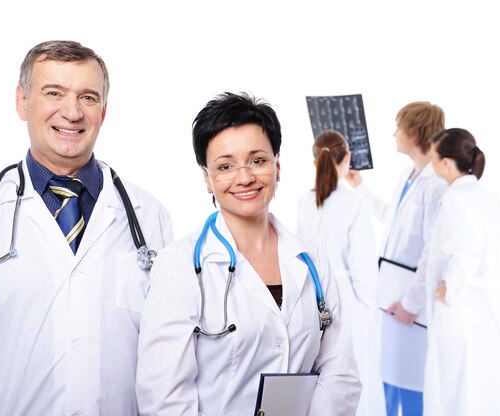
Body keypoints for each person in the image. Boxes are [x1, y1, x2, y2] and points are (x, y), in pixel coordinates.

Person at [0, 40, 173, 415]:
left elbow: (167, 353)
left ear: (104, 110)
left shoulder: (150, 217)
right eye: (54, 93)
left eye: (88, 97)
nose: (72, 112)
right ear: (22, 102)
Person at [136, 92, 361, 415]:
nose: (245, 177)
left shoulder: (312, 260)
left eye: (258, 160)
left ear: (277, 165)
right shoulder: (180, 266)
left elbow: (340, 373)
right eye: (225, 166)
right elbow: (164, 396)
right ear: (207, 179)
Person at [346, 101, 446, 416]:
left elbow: (434, 252)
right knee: (387, 378)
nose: (394, 134)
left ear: (414, 134)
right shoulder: (408, 175)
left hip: (411, 303)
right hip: (389, 297)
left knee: (413, 385)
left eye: (398, 128)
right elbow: (392, 219)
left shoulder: (437, 185)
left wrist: (411, 304)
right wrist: (360, 188)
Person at [424, 128, 500, 415]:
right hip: (484, 306)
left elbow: (463, 254)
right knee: (487, 385)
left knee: (459, 388)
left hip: (460, 309)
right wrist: (491, 275)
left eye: (433, 157)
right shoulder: (487, 197)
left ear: (446, 162)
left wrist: (454, 290)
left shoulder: (455, 200)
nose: (430, 162)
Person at [297, 130, 385, 416]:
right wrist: (373, 314)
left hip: (312, 298)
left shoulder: (304, 202)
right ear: (347, 158)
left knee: (321, 377)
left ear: (314, 163)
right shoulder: (353, 202)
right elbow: (363, 271)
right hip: (349, 302)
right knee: (358, 378)